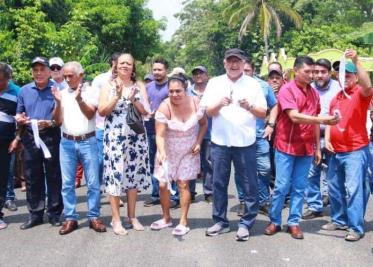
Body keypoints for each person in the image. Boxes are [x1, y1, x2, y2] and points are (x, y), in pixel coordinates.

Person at [264, 56, 339, 239]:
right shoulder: (286, 90)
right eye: (307, 72)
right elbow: (295, 117)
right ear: (295, 71)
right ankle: (274, 220)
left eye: (313, 72)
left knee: (299, 187)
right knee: (282, 186)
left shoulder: (313, 93)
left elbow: (313, 124)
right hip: (286, 146)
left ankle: (294, 222)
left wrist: (317, 148)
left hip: (306, 148)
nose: (311, 75)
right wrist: (323, 119)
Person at [202, 48, 267, 242]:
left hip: (245, 142)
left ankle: (246, 223)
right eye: (230, 61)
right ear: (224, 63)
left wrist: (249, 107)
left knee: (249, 184)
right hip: (220, 142)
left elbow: (263, 112)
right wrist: (220, 104)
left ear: (243, 62)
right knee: (219, 183)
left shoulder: (253, 84)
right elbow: (208, 113)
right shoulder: (214, 83)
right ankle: (220, 221)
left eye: (237, 61)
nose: (234, 64)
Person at [99, 53, 151, 235]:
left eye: (128, 63)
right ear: (116, 65)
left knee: (133, 176)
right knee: (115, 176)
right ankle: (116, 219)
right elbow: (102, 111)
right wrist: (117, 96)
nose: (125, 66)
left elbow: (146, 113)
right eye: (122, 63)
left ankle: (132, 216)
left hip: (135, 138)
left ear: (133, 67)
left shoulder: (139, 85)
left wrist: (133, 99)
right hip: (115, 138)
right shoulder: (109, 85)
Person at [323, 49, 372, 241]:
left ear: (355, 77)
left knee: (353, 190)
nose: (344, 78)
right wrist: (327, 138)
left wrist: (356, 61)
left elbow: (368, 85)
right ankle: (339, 220)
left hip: (355, 151)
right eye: (341, 75)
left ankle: (355, 227)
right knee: (334, 188)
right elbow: (331, 119)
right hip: (335, 151)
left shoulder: (360, 93)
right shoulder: (337, 97)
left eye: (348, 74)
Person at [52, 61, 106, 235]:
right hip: (67, 142)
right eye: (65, 76)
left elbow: (91, 114)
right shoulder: (61, 93)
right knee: (67, 183)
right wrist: (58, 103)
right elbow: (57, 121)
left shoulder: (91, 91)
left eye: (70, 75)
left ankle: (93, 217)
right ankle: (70, 218)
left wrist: (79, 99)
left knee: (93, 182)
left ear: (81, 75)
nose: (67, 79)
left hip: (87, 141)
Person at [150, 74, 207, 236]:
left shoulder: (196, 102)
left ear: (186, 89)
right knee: (162, 185)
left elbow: (203, 125)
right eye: (171, 91)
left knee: (183, 184)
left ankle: (183, 221)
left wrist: (198, 142)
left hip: (188, 149)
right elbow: (159, 135)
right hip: (167, 150)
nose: (174, 94)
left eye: (178, 91)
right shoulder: (164, 107)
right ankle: (166, 217)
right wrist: (161, 153)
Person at [16, 57, 63, 230]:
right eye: (35, 70)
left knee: (54, 175)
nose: (38, 73)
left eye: (42, 69)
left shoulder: (57, 89)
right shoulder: (24, 90)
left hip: (51, 135)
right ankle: (35, 214)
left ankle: (55, 212)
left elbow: (60, 118)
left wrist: (50, 123)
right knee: (31, 176)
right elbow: (19, 112)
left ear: (49, 71)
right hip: (30, 136)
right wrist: (20, 118)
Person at [235, 59, 278, 217]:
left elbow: (274, 105)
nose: (244, 73)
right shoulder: (231, 85)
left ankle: (263, 201)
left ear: (253, 71)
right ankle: (243, 201)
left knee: (265, 169)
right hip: (239, 136)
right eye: (242, 70)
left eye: (247, 70)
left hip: (259, 136)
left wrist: (271, 125)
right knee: (242, 171)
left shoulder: (263, 86)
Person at [302, 59, 340, 220]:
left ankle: (337, 212)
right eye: (316, 72)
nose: (319, 75)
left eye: (323, 72)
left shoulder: (339, 88)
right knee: (311, 174)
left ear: (329, 72)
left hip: (334, 138)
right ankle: (314, 206)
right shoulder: (308, 89)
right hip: (312, 137)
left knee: (334, 176)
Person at [143, 58, 178, 208]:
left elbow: (176, 105)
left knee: (170, 163)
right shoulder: (147, 86)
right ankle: (156, 194)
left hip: (168, 131)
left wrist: (160, 112)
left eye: (160, 69)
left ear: (166, 70)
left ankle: (174, 196)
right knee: (153, 163)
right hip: (150, 129)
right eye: (155, 69)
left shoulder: (172, 86)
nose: (156, 72)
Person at [91, 52, 121, 188]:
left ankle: (114, 191)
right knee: (101, 160)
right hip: (101, 126)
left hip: (121, 128)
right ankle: (96, 188)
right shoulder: (100, 80)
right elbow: (95, 103)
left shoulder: (127, 81)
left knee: (117, 160)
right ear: (113, 63)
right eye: (119, 63)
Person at [0, 63, 20, 229]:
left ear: (8, 79)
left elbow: (20, 119)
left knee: (3, 177)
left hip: (5, 143)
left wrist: (16, 139)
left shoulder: (16, 94)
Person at [190, 66, 213, 203]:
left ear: (206, 75)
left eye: (201, 73)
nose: (198, 75)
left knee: (208, 163)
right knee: (192, 163)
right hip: (191, 133)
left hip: (209, 133)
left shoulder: (212, 91)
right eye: (196, 74)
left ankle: (209, 192)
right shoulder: (187, 91)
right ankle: (190, 192)